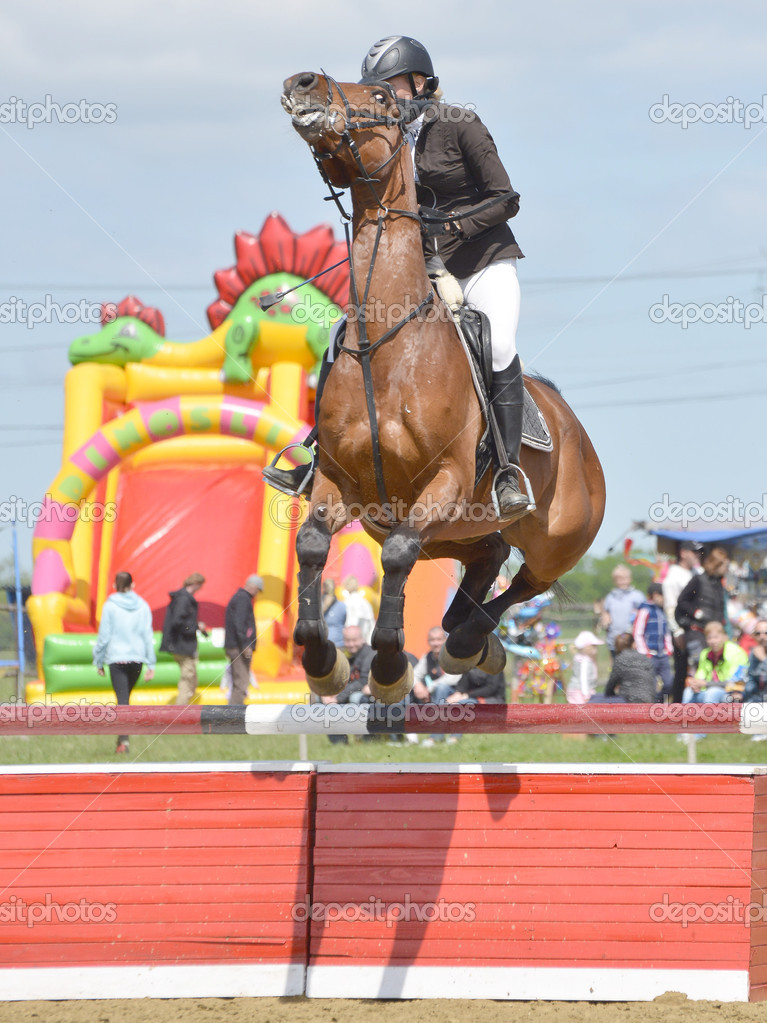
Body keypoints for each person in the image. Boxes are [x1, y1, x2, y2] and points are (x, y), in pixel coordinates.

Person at [264, 35, 530, 518]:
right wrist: (320, 141)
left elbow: (505, 197)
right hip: (419, 272)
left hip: (479, 261)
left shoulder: (459, 124)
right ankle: (318, 454)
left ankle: (509, 472)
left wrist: (452, 225)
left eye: (392, 87)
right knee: (339, 337)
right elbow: (344, 178)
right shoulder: (380, 134)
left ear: (421, 83)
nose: (384, 95)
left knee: (498, 346)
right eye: (376, 88)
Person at [93, 571, 156, 755]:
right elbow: (147, 635)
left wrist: (98, 660)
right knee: (125, 699)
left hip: (117, 658)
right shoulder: (143, 606)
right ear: (133, 585)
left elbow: (104, 636)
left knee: (122, 700)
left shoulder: (110, 606)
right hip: (137, 659)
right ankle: (122, 737)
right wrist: (150, 663)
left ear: (114, 585)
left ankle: (124, 741)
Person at [675, 545, 729, 677]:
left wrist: (723, 630)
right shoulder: (699, 580)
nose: (726, 569)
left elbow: (720, 608)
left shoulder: (718, 583)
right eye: (724, 566)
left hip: (712, 632)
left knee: (713, 669)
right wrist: (696, 613)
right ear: (716, 564)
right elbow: (682, 601)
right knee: (699, 665)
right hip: (696, 631)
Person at [662, 540, 702, 702]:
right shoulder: (673, 576)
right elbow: (670, 607)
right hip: (682, 629)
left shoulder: (697, 572)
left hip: (697, 629)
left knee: (699, 668)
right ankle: (678, 708)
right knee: (682, 670)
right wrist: (677, 632)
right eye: (694, 552)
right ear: (683, 553)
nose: (698, 555)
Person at [321, 624, 375, 744]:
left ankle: (367, 739)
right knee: (323, 700)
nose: (351, 644)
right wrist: (327, 694)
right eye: (347, 641)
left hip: (370, 696)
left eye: (354, 640)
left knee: (355, 698)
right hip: (349, 692)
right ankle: (339, 743)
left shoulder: (369, 654)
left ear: (362, 638)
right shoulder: (344, 655)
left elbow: (363, 681)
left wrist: (337, 698)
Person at [159, 572, 206, 705]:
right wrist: (195, 626)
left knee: (191, 680)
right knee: (188, 679)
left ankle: (183, 708)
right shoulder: (184, 599)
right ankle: (180, 712)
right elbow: (178, 622)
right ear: (196, 584)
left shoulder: (182, 598)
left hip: (181, 644)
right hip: (182, 644)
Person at [224, 574, 263, 706]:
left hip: (235, 645)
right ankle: (233, 716)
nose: (257, 594)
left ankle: (233, 713)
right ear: (252, 587)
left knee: (238, 681)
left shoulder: (240, 597)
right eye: (258, 590)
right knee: (242, 682)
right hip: (238, 646)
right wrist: (246, 644)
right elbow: (239, 623)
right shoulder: (243, 599)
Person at [632, 582, 673, 700]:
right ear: (655, 595)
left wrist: (668, 649)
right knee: (651, 686)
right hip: (650, 655)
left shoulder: (661, 612)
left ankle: (660, 705)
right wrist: (645, 652)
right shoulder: (645, 610)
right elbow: (638, 632)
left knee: (669, 683)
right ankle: (652, 709)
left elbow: (666, 632)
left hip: (663, 655)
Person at [598, 632, 657, 704]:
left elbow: (611, 684)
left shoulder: (620, 659)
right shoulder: (645, 658)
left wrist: (609, 694)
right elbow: (652, 680)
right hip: (649, 698)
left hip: (629, 700)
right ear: (633, 644)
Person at [600, 566, 644, 659]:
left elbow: (643, 615)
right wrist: (605, 618)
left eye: (625, 578)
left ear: (630, 579)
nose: (622, 581)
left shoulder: (637, 596)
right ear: (614, 581)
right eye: (619, 579)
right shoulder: (611, 597)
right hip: (615, 640)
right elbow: (605, 613)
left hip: (632, 640)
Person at [411, 626, 462, 702]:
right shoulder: (427, 657)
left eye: (439, 639)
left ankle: (439, 713)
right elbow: (413, 674)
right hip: (432, 692)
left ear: (445, 640)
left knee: (441, 688)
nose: (435, 643)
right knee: (412, 689)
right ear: (428, 642)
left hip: (455, 693)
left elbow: (451, 679)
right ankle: (399, 712)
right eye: (432, 640)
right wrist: (417, 685)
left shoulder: (454, 655)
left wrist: (429, 689)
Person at [567, 630, 604, 704]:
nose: (595, 649)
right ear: (586, 648)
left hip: (577, 690)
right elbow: (584, 679)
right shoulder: (585, 661)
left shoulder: (579, 657)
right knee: (581, 712)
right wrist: (586, 695)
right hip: (580, 691)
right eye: (593, 646)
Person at [340, 575, 375, 645]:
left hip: (354, 641)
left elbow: (351, 623)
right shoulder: (365, 602)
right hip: (368, 640)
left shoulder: (348, 602)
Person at [322, 578, 347, 647]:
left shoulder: (342, 605)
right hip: (322, 644)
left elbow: (345, 623)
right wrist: (325, 607)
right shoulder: (319, 605)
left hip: (338, 644)